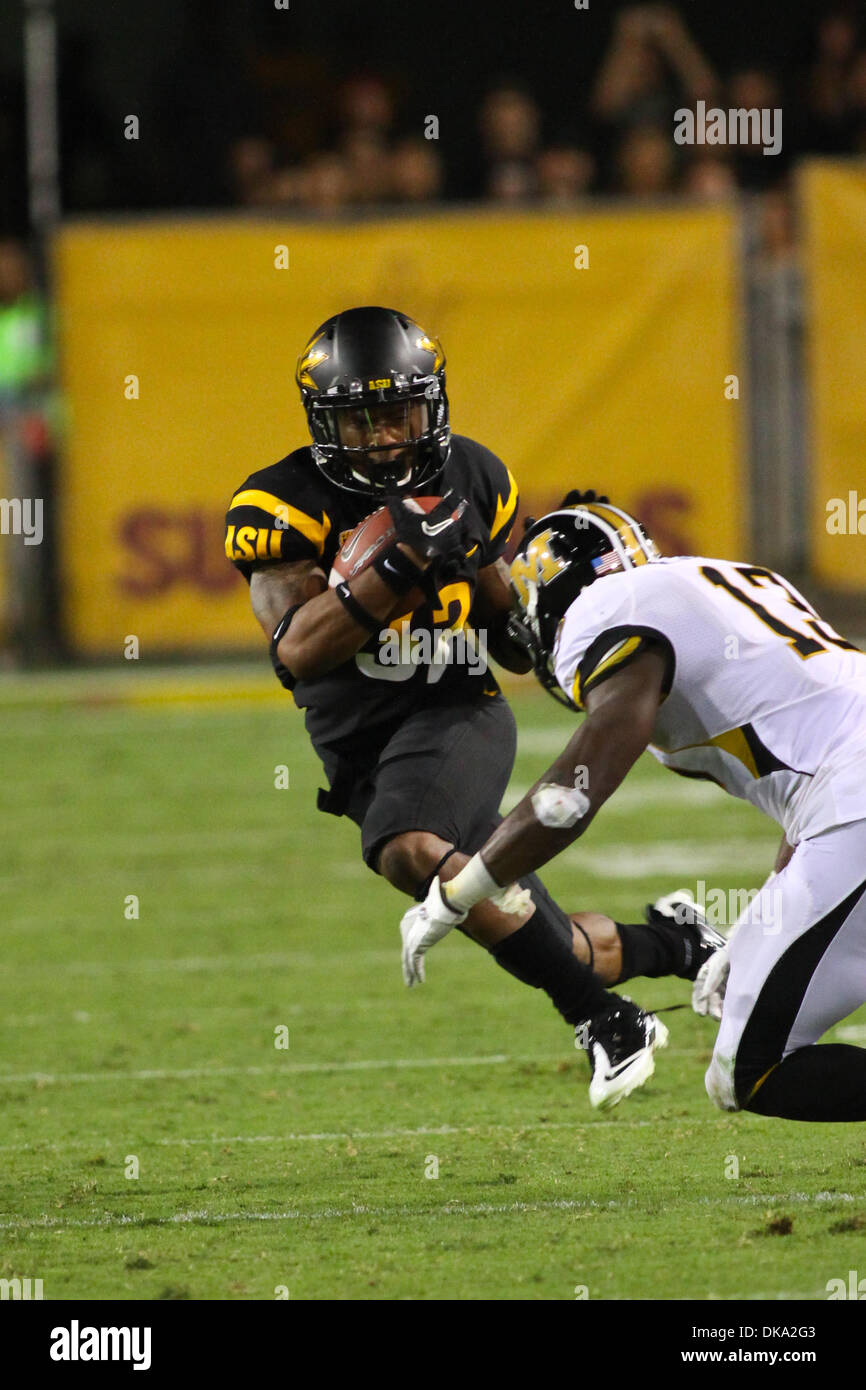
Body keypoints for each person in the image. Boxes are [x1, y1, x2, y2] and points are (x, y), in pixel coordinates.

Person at [224, 310, 722, 1109]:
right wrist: (397, 560)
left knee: (410, 850)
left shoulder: (473, 476)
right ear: (326, 422)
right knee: (543, 937)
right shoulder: (283, 501)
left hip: (455, 714)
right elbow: (298, 647)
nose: (386, 436)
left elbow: (511, 643)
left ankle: (605, 1020)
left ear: (433, 404)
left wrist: (538, 592)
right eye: (363, 418)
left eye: (400, 412)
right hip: (358, 748)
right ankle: (679, 943)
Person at [402, 494, 866, 1122]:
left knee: (750, 1069)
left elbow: (572, 795)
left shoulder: (603, 610)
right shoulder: (726, 581)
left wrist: (460, 892)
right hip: (844, 799)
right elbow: (809, 766)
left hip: (854, 800)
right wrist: (762, 920)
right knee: (755, 1015)